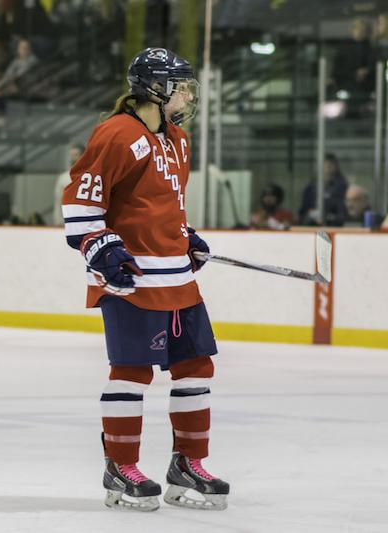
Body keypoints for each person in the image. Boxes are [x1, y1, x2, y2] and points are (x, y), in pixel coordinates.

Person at [61, 47, 229, 512]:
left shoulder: (178, 139)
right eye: (182, 85)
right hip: (131, 280)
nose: (189, 94)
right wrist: (99, 246)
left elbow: (162, 204)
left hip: (176, 279)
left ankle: (188, 464)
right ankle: (120, 466)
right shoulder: (116, 135)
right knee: (132, 373)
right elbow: (80, 203)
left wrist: (185, 236)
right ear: (157, 88)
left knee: (196, 368)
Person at [298, 153, 348, 226]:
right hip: (312, 227)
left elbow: (343, 212)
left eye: (331, 164)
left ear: (336, 167)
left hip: (335, 226)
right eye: (325, 163)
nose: (328, 166)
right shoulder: (310, 189)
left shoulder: (343, 188)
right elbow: (303, 212)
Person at [53, 143, 85, 226]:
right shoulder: (63, 178)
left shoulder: (89, 177)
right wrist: (58, 221)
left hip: (85, 222)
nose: (73, 158)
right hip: (67, 223)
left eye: (76, 155)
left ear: (83, 156)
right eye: (71, 155)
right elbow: (58, 201)